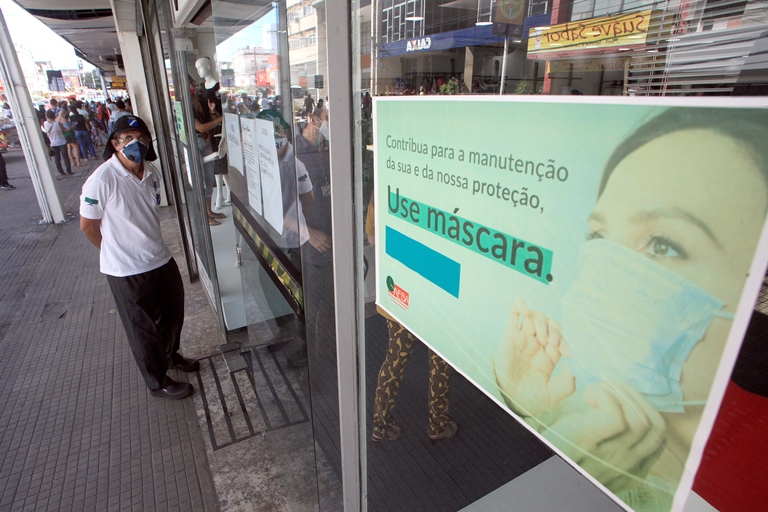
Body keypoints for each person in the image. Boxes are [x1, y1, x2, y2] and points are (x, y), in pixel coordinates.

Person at [493, 108, 768, 510]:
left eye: (663, 244)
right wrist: (522, 403)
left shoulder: (748, 468)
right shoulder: (586, 405)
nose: (604, 276)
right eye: (599, 237)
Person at [79, 115, 199, 400]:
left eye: (142, 137)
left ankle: (170, 356)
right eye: (128, 138)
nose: (136, 143)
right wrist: (114, 251)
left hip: (159, 259)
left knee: (172, 316)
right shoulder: (102, 180)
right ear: (115, 144)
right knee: (144, 330)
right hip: (126, 271)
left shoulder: (151, 173)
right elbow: (88, 226)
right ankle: (158, 381)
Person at [365, 193, 457, 442]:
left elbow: (373, 239)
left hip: (400, 292)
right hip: (434, 293)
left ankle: (381, 424)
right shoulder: (443, 189)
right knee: (439, 361)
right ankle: (438, 424)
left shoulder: (383, 188)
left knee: (395, 359)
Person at [44, 110, 72, 176]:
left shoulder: (45, 123)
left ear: (47, 116)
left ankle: (61, 171)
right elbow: (64, 132)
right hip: (62, 142)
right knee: (65, 157)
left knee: (57, 158)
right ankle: (69, 171)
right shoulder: (58, 124)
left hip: (53, 143)